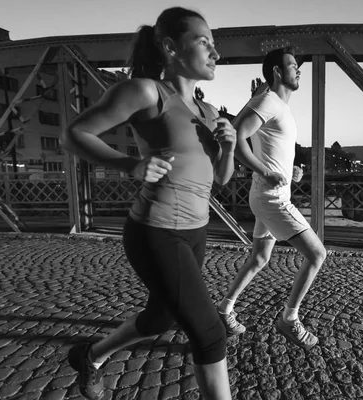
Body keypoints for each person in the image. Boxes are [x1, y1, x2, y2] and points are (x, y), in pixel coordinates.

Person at [61, 8, 235, 400]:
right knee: (209, 333)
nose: (215, 53)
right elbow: (74, 134)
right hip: (155, 230)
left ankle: (90, 355)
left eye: (214, 44)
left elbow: (221, 178)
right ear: (171, 47)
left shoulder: (208, 113)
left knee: (161, 316)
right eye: (204, 42)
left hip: (196, 229)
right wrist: (130, 165)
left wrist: (229, 146)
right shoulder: (146, 92)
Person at [217, 47, 326, 350]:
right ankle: (289, 319)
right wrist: (265, 171)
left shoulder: (279, 106)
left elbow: (268, 149)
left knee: (260, 258)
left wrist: (291, 172)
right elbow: (236, 137)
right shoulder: (267, 101)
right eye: (292, 65)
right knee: (317, 255)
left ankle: (224, 310)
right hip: (270, 198)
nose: (298, 70)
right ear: (277, 72)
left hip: (268, 194)